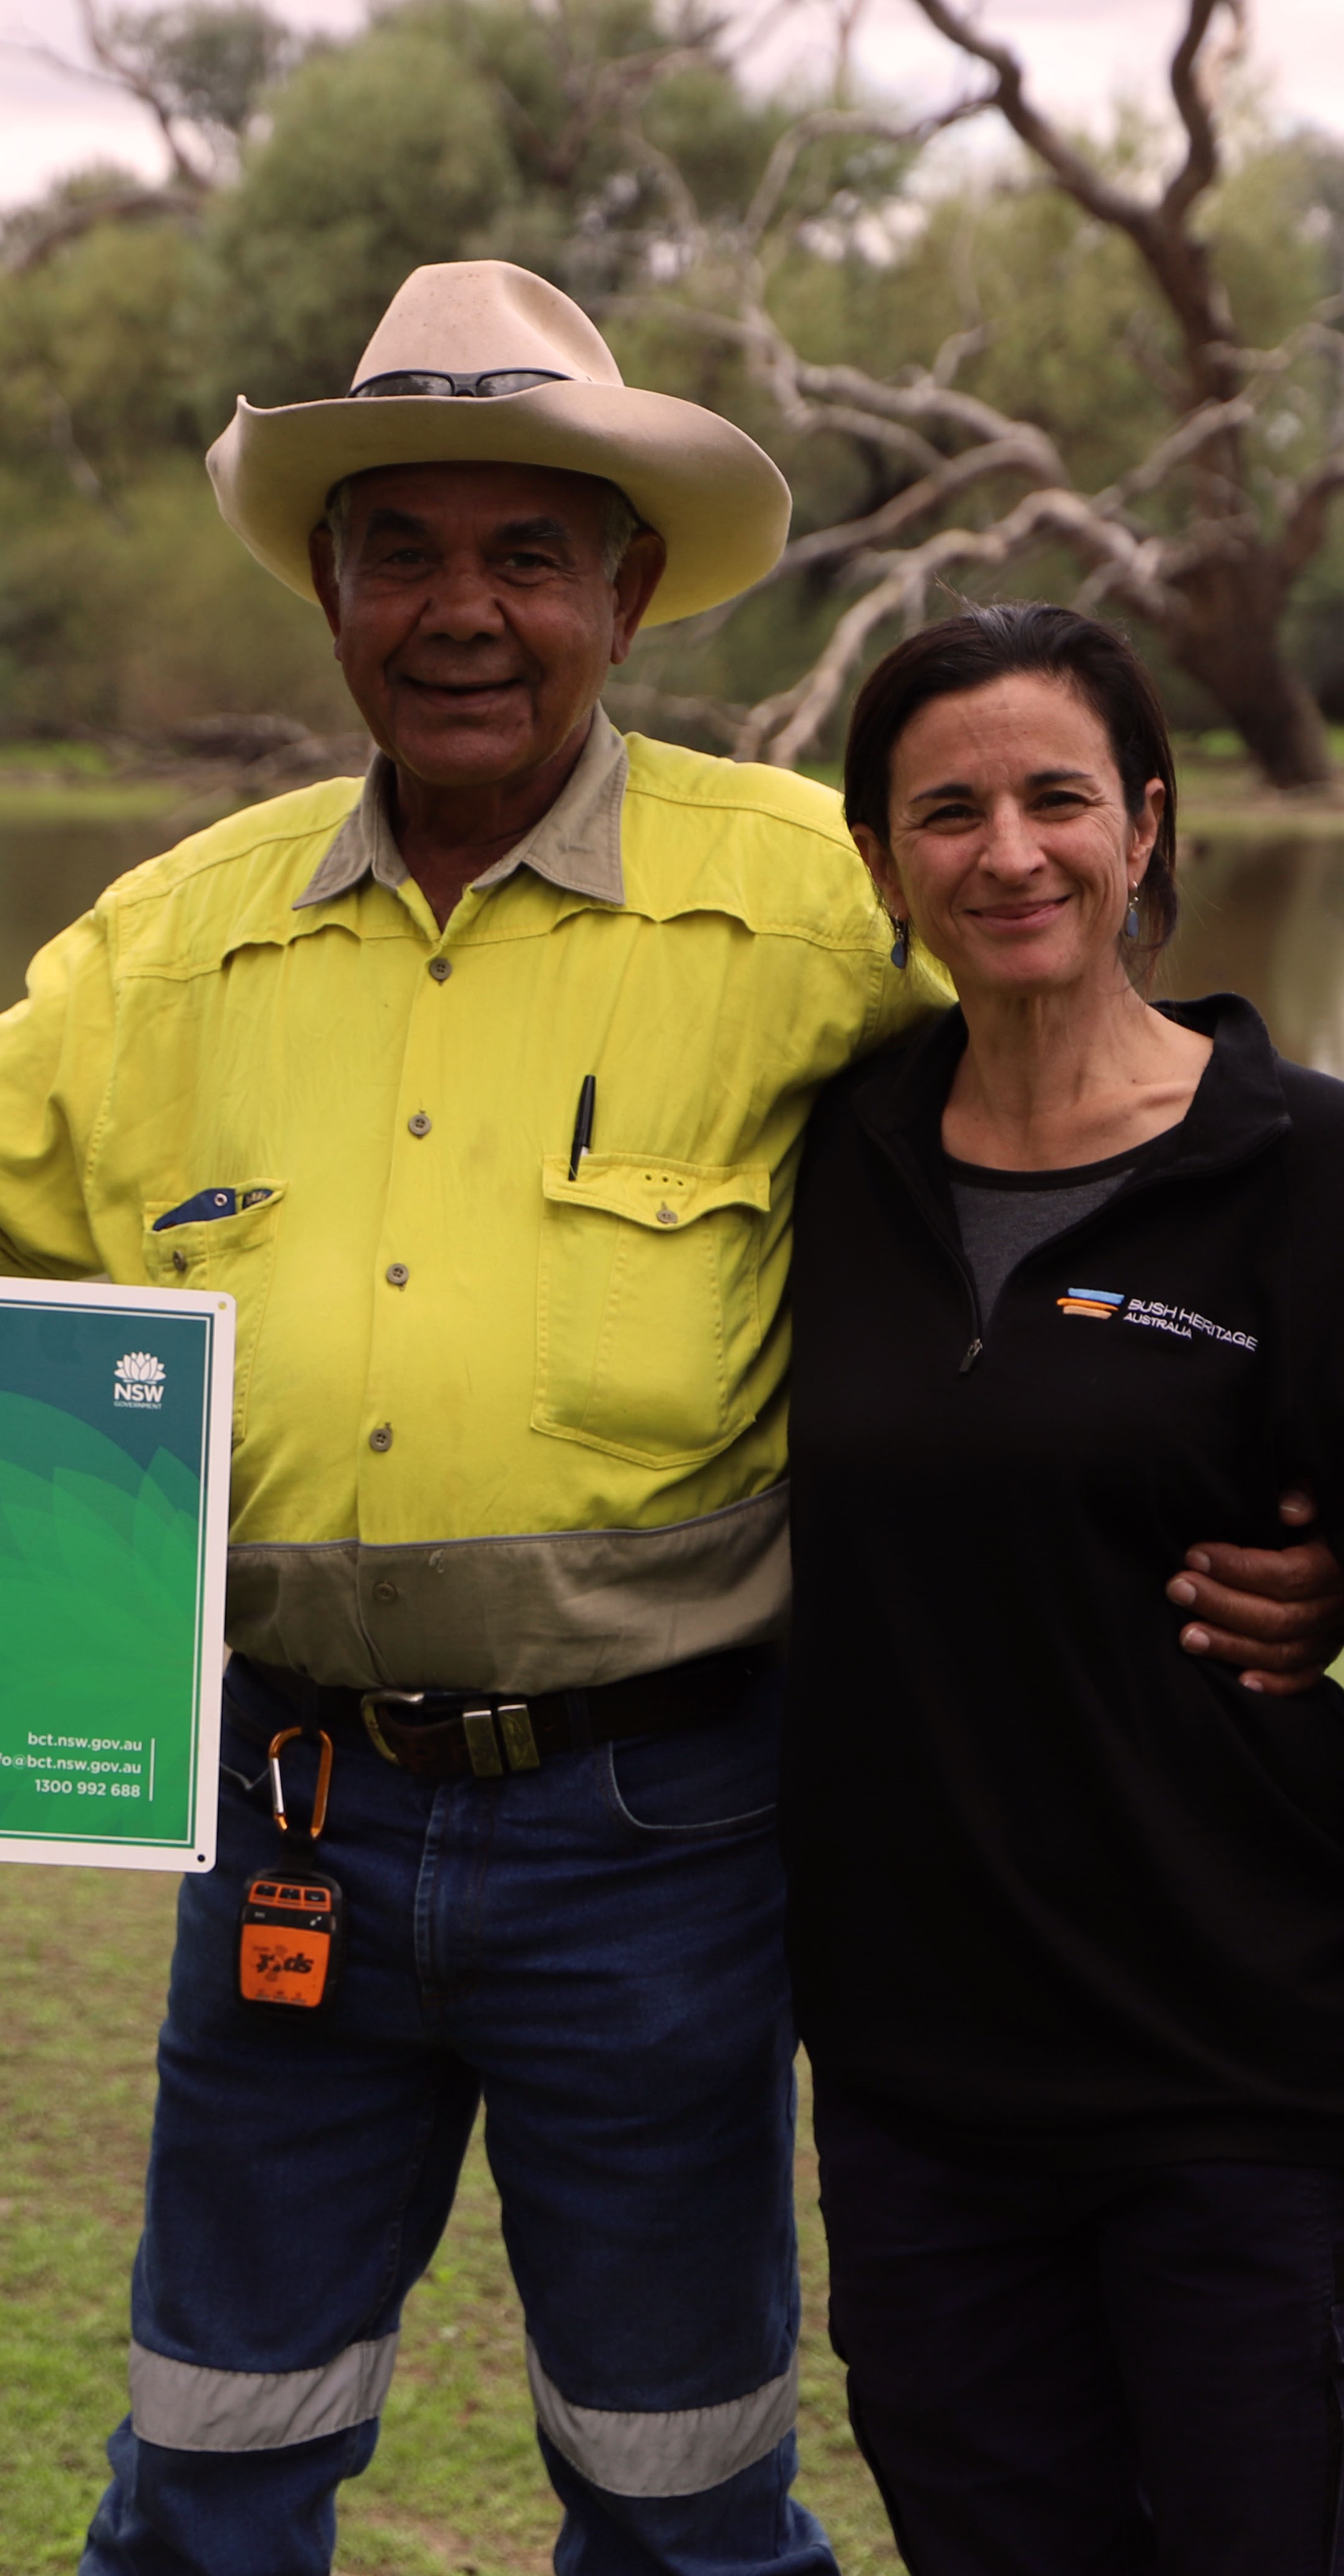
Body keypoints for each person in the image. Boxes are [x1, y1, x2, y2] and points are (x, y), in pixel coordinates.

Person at [0, 266, 1338, 2574]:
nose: (466, 611)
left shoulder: (819, 899)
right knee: (212, 2464)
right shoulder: (185, 932)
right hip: (281, 1812)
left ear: (628, 591)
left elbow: (1107, 1111)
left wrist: (1303, 1502)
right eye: (402, 552)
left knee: (679, 2489)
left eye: (527, 553)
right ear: (332, 595)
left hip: (667, 1836)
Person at [784, 603, 1344, 2572]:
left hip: (1244, 2079)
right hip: (919, 2090)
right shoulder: (826, 1165)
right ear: (879, 865)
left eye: (1056, 799)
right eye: (948, 811)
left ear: (1146, 827)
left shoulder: (1305, 1173)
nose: (1008, 852)